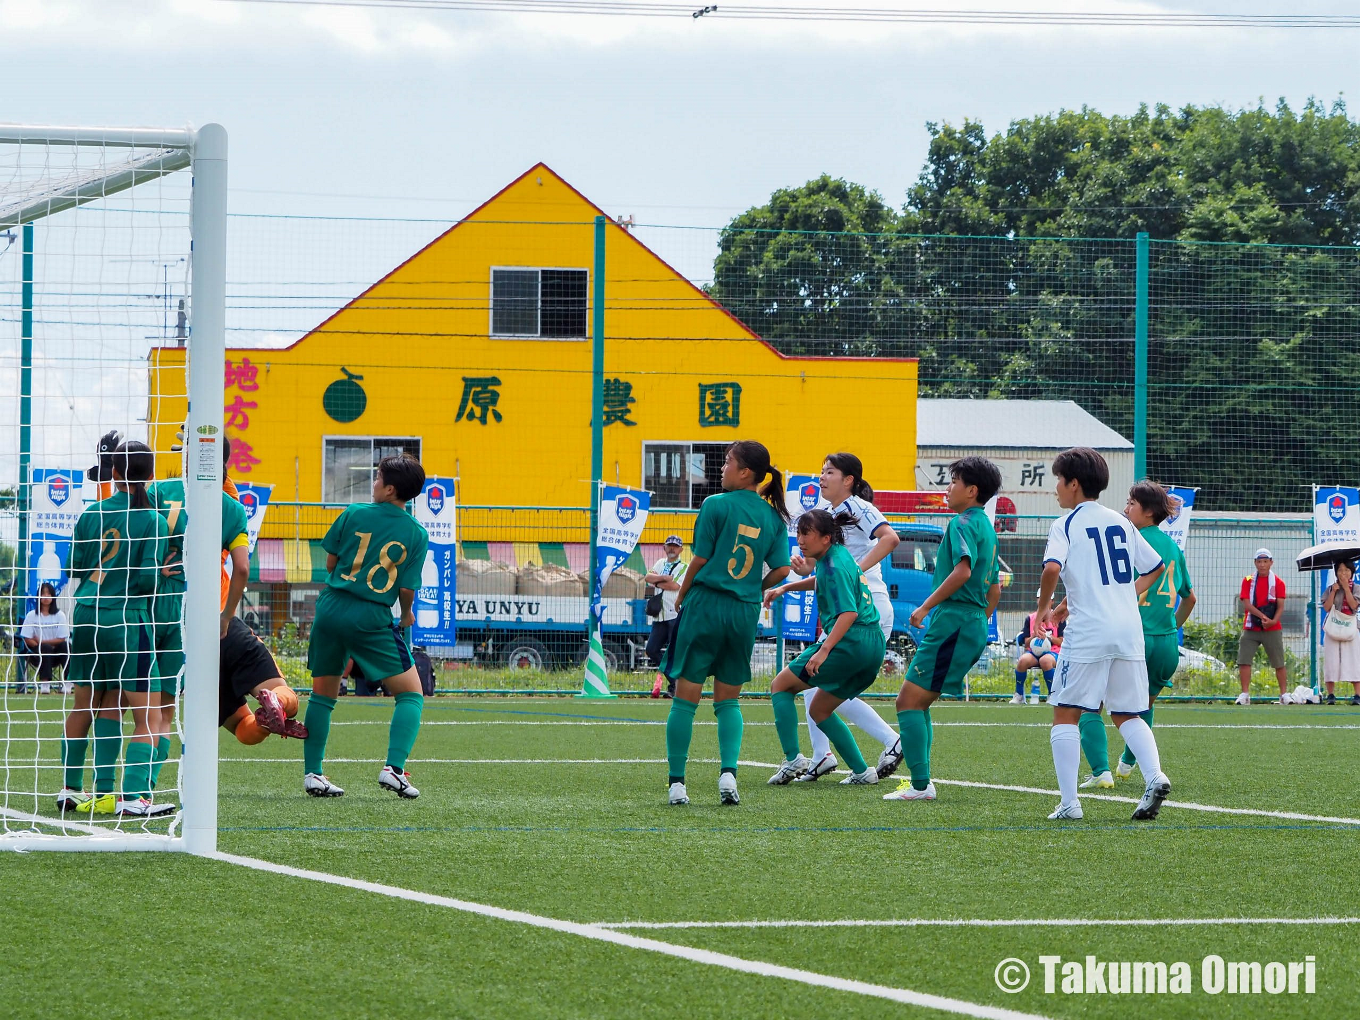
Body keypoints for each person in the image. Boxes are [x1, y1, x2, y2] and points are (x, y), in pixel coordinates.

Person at [1034, 447, 1170, 822]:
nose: (1056, 489)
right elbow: (1155, 567)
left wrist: (1044, 608)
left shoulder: (1065, 524)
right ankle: (1155, 776)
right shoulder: (1120, 522)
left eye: (1059, 481)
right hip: (1128, 630)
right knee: (1127, 712)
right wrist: (1121, 594)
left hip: (1089, 632)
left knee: (1066, 713)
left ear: (1074, 484)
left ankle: (1069, 803)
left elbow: (1051, 568)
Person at [662, 440, 791, 807]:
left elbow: (700, 559)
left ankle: (677, 784)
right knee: (728, 701)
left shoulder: (715, 504)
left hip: (706, 605)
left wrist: (682, 593)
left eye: (728, 462)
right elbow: (782, 569)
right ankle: (728, 774)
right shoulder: (773, 518)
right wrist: (754, 588)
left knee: (685, 699)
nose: (722, 469)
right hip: (743, 612)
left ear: (745, 472)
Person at [302, 454, 430, 799]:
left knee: (323, 695)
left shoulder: (354, 512)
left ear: (390, 489)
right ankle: (394, 769)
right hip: (370, 614)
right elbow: (406, 588)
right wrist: (406, 614)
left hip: (331, 606)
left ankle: (313, 773)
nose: (374, 483)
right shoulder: (416, 533)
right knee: (411, 694)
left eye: (378, 478)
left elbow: (331, 561)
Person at [56, 441, 171, 817]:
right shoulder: (152, 519)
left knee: (89, 705)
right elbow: (148, 581)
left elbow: (72, 567)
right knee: (148, 714)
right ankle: (134, 796)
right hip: (126, 620)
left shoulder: (92, 514)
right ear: (151, 475)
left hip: (87, 618)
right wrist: (162, 571)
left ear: (115, 473)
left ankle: (74, 790)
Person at [882, 457, 1002, 803]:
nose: (947, 489)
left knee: (907, 701)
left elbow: (963, 571)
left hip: (954, 620)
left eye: (953, 482)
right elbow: (995, 588)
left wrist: (925, 607)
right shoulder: (986, 527)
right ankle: (921, 782)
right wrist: (977, 621)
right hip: (970, 621)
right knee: (919, 703)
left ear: (972, 490)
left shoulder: (961, 523)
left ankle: (921, 785)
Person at [788, 453, 902, 781]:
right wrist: (805, 569)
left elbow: (890, 538)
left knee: (816, 681)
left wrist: (855, 571)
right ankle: (822, 755)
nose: (822, 477)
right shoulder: (830, 513)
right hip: (855, 608)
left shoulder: (858, 506)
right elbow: (826, 565)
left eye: (829, 472)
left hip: (865, 608)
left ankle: (890, 741)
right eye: (821, 471)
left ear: (848, 480)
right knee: (815, 683)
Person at [1078, 481, 1197, 788]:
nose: (1125, 508)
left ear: (1148, 512)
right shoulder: (1173, 548)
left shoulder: (1128, 540)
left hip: (1131, 639)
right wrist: (1172, 628)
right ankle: (1128, 764)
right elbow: (1190, 598)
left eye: (1131, 503)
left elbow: (1105, 585)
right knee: (1144, 705)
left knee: (1089, 702)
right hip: (1166, 644)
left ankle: (1100, 771)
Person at [764, 508, 886, 786]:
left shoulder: (833, 565)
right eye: (799, 533)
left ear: (826, 538)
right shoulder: (837, 556)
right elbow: (823, 581)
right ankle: (862, 771)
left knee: (780, 686)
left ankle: (793, 759)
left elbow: (848, 613)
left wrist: (824, 650)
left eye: (806, 534)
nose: (800, 540)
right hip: (871, 644)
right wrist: (786, 588)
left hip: (851, 641)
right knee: (819, 710)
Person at [1236, 549, 1289, 705]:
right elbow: (1246, 604)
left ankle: (1284, 694)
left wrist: (1273, 621)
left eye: (1265, 561)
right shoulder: (1248, 580)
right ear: (1255, 563)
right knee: (1244, 660)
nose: (1262, 565)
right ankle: (1245, 694)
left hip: (1272, 627)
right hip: (1251, 626)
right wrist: (1262, 617)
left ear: (1271, 563)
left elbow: (1280, 606)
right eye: (1259, 562)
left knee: (1279, 662)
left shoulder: (1278, 582)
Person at [645, 536, 687, 699]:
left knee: (675, 652)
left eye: (675, 546)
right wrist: (663, 579)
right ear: (664, 547)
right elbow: (648, 578)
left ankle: (675, 687)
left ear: (681, 549)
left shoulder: (684, 567)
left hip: (674, 614)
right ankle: (675, 683)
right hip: (659, 616)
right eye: (669, 545)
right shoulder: (660, 563)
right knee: (651, 649)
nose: (672, 548)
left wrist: (656, 581)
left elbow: (674, 586)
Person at [1010, 596, 1064, 705]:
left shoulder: (1058, 617)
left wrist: (1049, 637)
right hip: (1034, 652)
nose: (1043, 600)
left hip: (1053, 652)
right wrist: (1034, 636)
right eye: (1040, 598)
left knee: (1045, 661)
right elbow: (1026, 643)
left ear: (1052, 601)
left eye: (1047, 598)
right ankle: (1019, 695)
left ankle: (1052, 694)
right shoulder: (1030, 618)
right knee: (1022, 661)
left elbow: (1062, 641)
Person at [20, 582, 70, 694]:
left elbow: (62, 639)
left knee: (66, 646)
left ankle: (68, 683)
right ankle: (45, 684)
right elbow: (28, 638)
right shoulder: (31, 615)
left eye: (49, 594)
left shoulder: (60, 615)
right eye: (43, 594)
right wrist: (41, 645)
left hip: (56, 653)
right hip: (37, 653)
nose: (46, 597)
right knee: (45, 648)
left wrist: (42, 641)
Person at [1322, 560, 1360, 706]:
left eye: (1346, 570)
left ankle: (1357, 695)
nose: (1343, 573)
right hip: (1333, 627)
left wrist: (1346, 588)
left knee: (1354, 660)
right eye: (1340, 570)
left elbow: (1354, 605)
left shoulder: (1356, 588)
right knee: (1331, 661)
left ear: (1352, 572)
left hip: (1350, 628)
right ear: (1336, 573)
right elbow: (1326, 607)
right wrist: (1334, 591)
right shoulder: (1331, 588)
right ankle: (1331, 695)